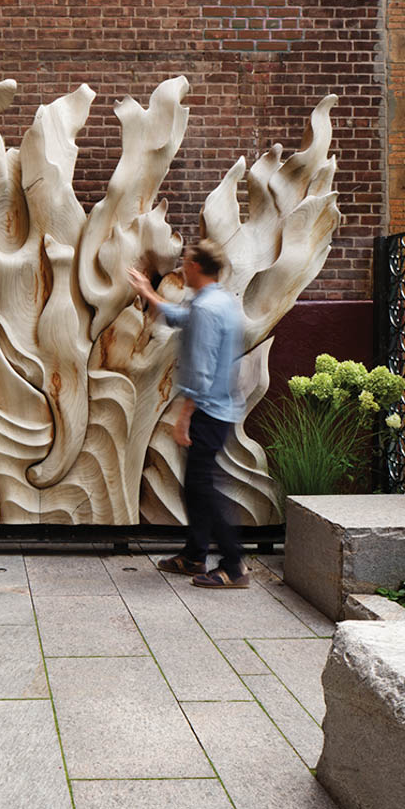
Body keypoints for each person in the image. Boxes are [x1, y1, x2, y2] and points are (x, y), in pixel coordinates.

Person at [128, 238, 249, 589]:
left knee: (201, 488)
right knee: (196, 487)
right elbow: (183, 318)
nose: (182, 267)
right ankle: (195, 554)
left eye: (186, 262)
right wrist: (149, 293)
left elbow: (203, 370)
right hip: (219, 409)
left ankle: (233, 564)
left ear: (197, 267)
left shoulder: (209, 309)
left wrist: (185, 416)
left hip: (209, 411)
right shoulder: (216, 302)